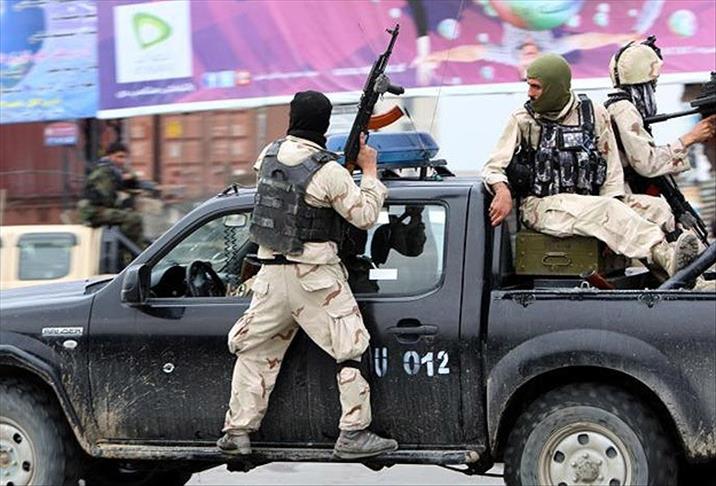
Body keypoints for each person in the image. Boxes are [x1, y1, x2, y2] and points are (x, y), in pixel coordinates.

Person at [217, 91, 398, 459]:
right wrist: (368, 171)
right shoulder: (329, 172)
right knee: (350, 348)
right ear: (325, 125)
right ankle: (354, 432)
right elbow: (364, 216)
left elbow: (292, 196)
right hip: (314, 278)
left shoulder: (267, 157)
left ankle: (237, 433)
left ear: (291, 117)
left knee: (255, 350)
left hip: (270, 276)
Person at [482, 53, 699, 278]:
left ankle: (686, 280)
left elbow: (611, 171)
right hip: (542, 207)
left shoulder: (593, 114)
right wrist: (502, 190)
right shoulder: (522, 120)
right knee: (608, 211)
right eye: (529, 86)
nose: (530, 93)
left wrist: (613, 225)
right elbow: (493, 166)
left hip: (591, 201)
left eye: (536, 87)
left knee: (657, 209)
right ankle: (666, 257)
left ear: (556, 86)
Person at [605, 36, 716, 235]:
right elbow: (646, 164)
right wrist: (690, 138)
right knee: (665, 216)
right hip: (622, 198)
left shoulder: (620, 107)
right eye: (653, 83)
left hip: (625, 194)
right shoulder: (624, 109)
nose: (654, 88)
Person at [78, 142, 144, 248]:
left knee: (131, 214)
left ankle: (132, 247)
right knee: (133, 218)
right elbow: (106, 200)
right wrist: (121, 182)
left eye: (124, 157)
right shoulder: (103, 173)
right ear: (109, 156)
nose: (122, 161)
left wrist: (130, 181)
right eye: (119, 157)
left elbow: (132, 189)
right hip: (94, 212)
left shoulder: (114, 172)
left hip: (101, 209)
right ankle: (127, 249)